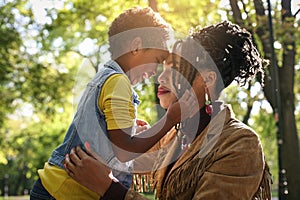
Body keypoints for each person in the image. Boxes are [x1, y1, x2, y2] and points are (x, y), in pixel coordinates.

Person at [65, 20, 272, 199]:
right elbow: (121, 161)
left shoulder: (240, 142)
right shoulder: (174, 135)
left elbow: (109, 179)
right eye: (163, 68)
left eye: (176, 69)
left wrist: (109, 190)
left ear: (208, 79)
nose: (161, 78)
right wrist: (117, 130)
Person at [30, 7, 198, 200]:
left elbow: (101, 133)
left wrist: (131, 129)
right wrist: (170, 119)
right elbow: (124, 152)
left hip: (56, 188)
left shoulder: (107, 79)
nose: (155, 72)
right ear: (136, 47)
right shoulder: (118, 83)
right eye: (157, 60)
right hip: (61, 192)